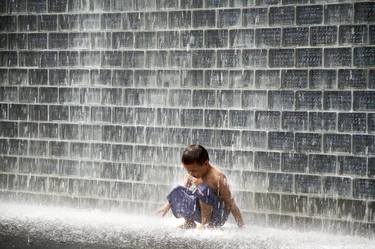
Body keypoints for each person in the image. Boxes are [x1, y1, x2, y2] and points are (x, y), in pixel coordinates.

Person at [157, 144, 245, 229]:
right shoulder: (193, 174)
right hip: (200, 209)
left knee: (203, 189)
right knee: (177, 189)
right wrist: (169, 204)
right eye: (188, 171)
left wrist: (241, 225)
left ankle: (204, 224)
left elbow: (230, 203)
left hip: (217, 215)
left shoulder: (218, 178)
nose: (191, 174)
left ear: (206, 163)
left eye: (194, 170)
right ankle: (189, 223)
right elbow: (183, 192)